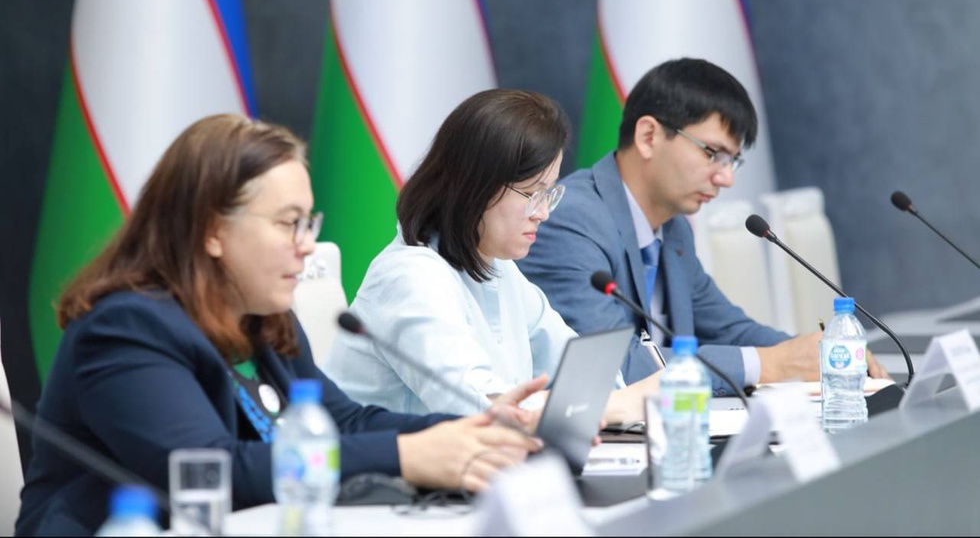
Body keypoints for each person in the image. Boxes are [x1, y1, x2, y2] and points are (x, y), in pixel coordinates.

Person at [15, 115, 543, 536]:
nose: (306, 244)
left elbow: (344, 423)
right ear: (212, 230)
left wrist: (467, 430)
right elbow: (214, 470)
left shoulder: (263, 317)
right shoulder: (124, 329)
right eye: (289, 223)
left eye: (308, 222)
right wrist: (408, 456)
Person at [517, 57, 889, 394]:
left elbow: (729, 329)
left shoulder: (674, 228)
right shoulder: (571, 220)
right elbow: (614, 369)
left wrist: (822, 353)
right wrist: (771, 364)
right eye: (713, 154)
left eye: (732, 161)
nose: (726, 178)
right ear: (648, 137)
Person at [326, 89, 659, 424]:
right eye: (531, 193)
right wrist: (623, 404)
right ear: (473, 186)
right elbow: (484, 411)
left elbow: (586, 374)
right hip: (377, 458)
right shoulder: (409, 277)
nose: (543, 213)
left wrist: (623, 402)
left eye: (549, 193)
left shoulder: (498, 266)